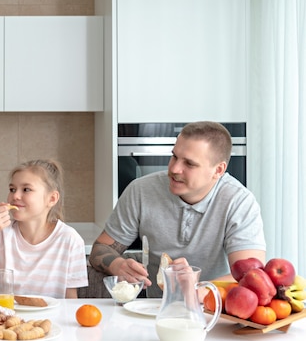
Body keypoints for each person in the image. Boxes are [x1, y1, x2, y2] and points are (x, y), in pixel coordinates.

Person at [86, 121, 266, 298]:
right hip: (154, 310)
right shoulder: (140, 191)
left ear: (218, 170)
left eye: (189, 164)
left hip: (213, 313)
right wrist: (117, 265)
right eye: (174, 156)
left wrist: (195, 291)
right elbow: (100, 249)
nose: (174, 168)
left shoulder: (239, 202)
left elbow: (251, 277)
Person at [0, 159, 88, 299]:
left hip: (48, 319)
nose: (15, 196)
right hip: (0, 318)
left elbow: (71, 302)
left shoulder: (70, 240)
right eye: (12, 189)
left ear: (52, 198)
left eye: (26, 189)